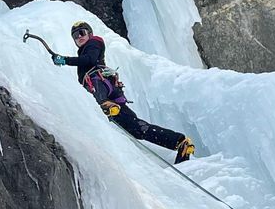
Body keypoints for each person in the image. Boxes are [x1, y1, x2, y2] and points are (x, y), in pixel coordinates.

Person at [49, 22, 196, 162]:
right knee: (137, 129)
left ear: (90, 34)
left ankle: (106, 105)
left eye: (82, 33)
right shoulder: (88, 48)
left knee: (97, 89)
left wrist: (65, 60)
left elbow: (90, 60)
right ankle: (179, 142)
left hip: (100, 86)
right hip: (111, 91)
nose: (79, 37)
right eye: (75, 36)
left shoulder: (94, 43)